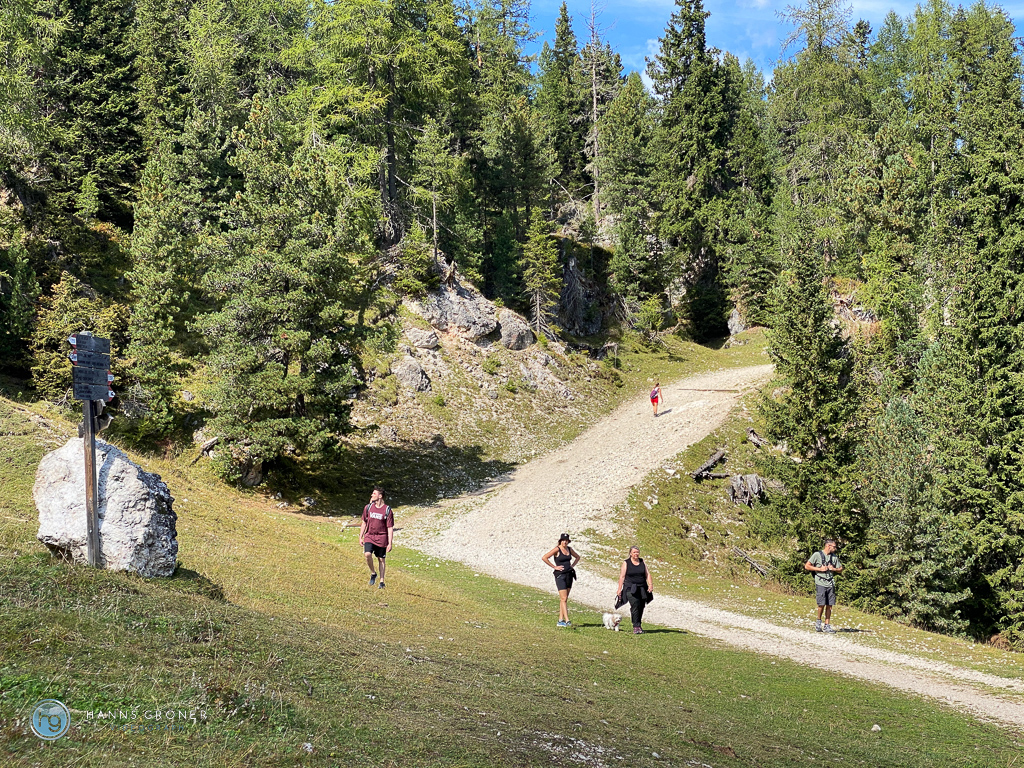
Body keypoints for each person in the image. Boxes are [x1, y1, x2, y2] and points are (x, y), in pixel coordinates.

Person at [542, 533, 580, 627]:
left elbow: (578, 557)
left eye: (566, 540)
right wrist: (554, 567)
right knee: (563, 598)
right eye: (563, 540)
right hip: (560, 575)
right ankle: (567, 620)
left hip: (569, 574)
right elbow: (544, 557)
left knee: (564, 598)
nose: (565, 542)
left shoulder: (569, 549)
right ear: (560, 541)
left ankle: (560, 620)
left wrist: (572, 566)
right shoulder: (557, 549)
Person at [805, 539, 843, 632]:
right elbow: (807, 566)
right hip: (820, 582)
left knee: (829, 605)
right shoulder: (817, 555)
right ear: (828, 546)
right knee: (821, 604)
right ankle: (818, 621)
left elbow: (840, 568)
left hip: (830, 583)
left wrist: (833, 569)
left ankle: (827, 625)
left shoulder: (834, 557)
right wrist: (819, 569)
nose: (835, 548)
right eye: (834, 546)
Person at [359, 487, 394, 589]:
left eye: (374, 493)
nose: (371, 495)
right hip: (369, 535)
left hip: (382, 537)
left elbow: (390, 527)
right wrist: (360, 536)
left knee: (381, 559)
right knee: (367, 554)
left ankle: (382, 582)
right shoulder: (368, 507)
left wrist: (390, 543)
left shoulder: (387, 510)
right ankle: (373, 573)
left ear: (380, 496)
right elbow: (364, 522)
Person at [616, 546, 654, 634]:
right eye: (634, 552)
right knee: (635, 604)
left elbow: (647, 574)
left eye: (637, 552)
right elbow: (622, 577)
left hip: (642, 587)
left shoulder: (642, 561)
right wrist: (619, 589)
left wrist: (650, 585)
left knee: (641, 606)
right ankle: (636, 626)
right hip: (630, 588)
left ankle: (639, 625)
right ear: (630, 553)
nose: (636, 554)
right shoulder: (626, 563)